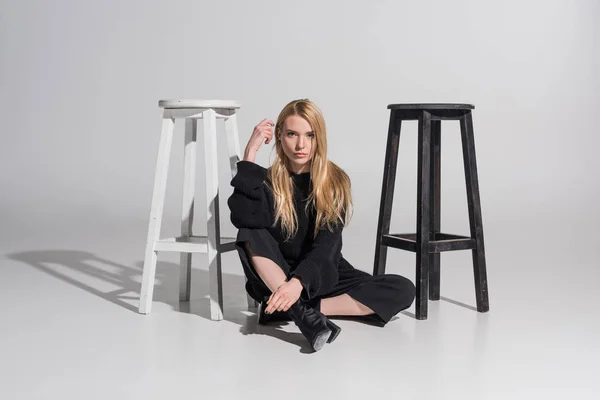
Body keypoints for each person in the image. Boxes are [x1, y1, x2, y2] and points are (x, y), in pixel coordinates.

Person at [227, 99, 415, 352]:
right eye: (292, 134)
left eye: (310, 135)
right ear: (280, 135)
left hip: (318, 269)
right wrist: (249, 156)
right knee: (249, 230)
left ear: (319, 138)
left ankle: (297, 309)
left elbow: (328, 245)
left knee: (401, 289)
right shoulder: (267, 180)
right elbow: (242, 218)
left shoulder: (334, 180)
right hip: (275, 272)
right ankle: (299, 312)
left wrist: (297, 285)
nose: (301, 144)